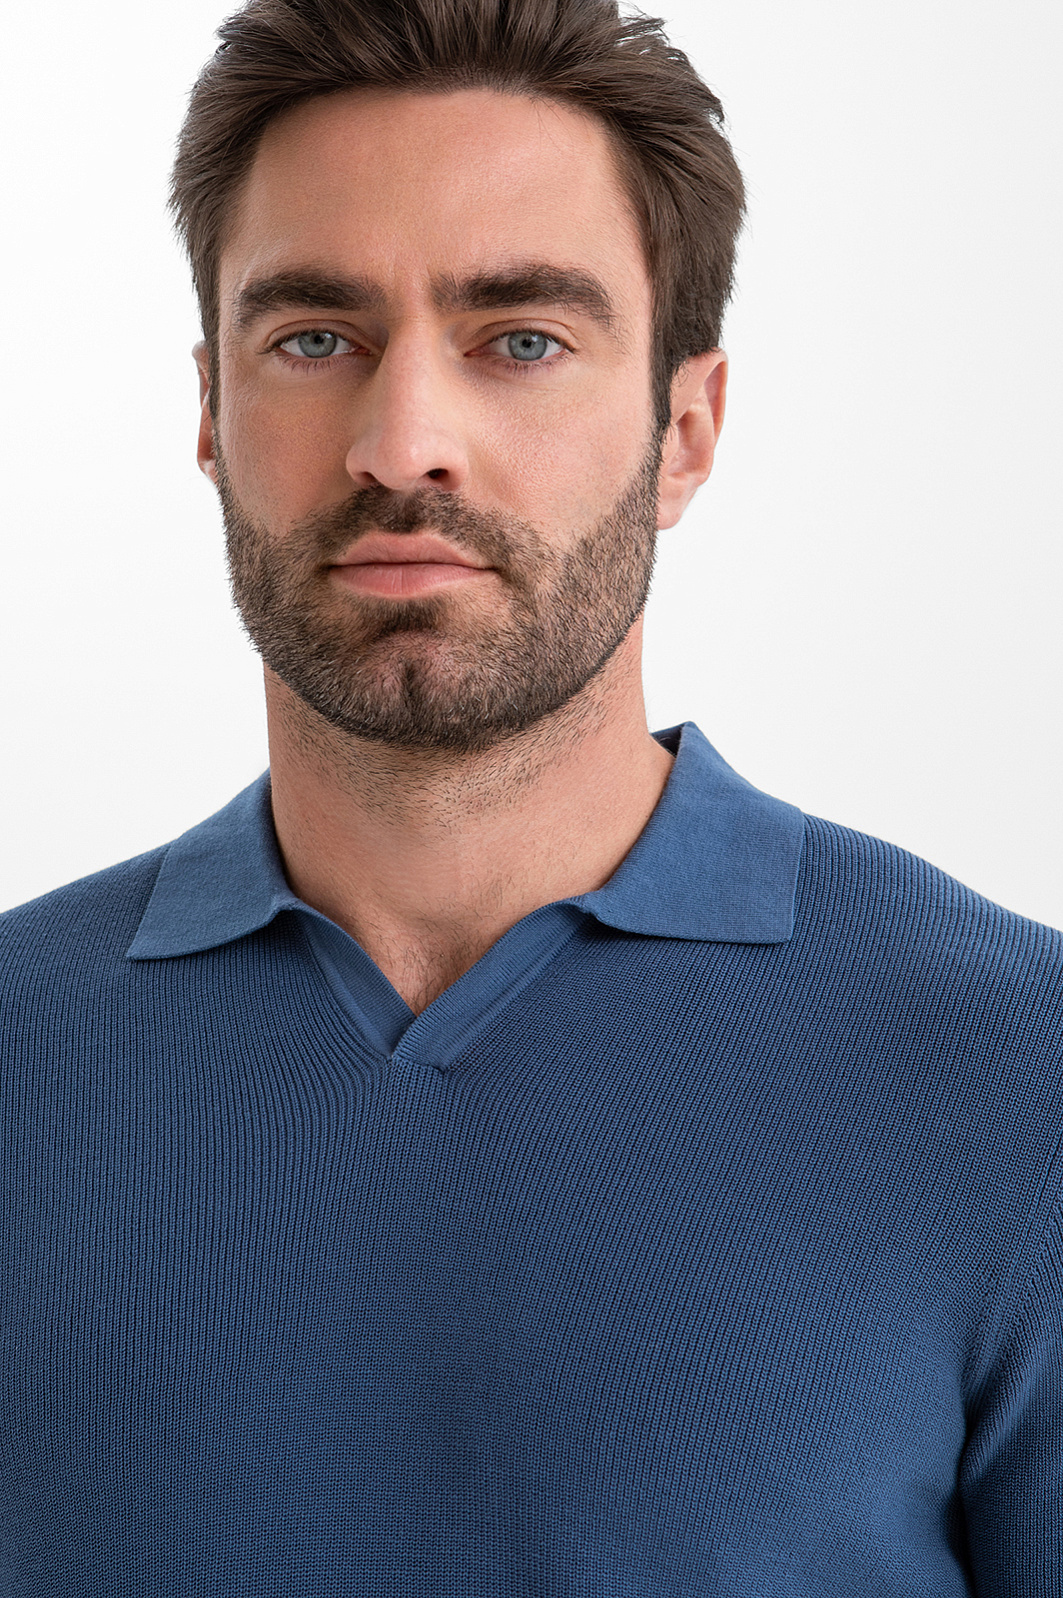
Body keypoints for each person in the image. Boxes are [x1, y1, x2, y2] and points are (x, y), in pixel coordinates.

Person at [1, 0, 1060, 1590]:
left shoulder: (1023, 1070)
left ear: (684, 431)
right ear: (212, 411)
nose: (403, 442)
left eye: (522, 340)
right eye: (314, 338)